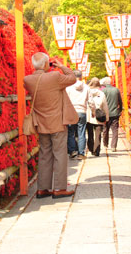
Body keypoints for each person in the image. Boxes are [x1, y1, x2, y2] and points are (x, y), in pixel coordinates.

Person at [24, 52, 78, 199]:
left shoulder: (27, 80)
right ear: (46, 64)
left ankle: (43, 188)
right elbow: (73, 78)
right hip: (58, 122)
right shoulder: (54, 77)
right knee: (60, 154)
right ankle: (60, 188)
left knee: (44, 155)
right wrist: (61, 66)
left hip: (41, 123)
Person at [65, 70, 89, 160]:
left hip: (71, 111)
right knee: (81, 132)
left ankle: (72, 151)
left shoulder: (68, 88)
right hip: (82, 111)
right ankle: (81, 153)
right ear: (81, 77)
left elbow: (65, 100)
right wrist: (93, 111)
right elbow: (90, 101)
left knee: (70, 132)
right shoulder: (86, 87)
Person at [85, 77, 108, 157]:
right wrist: (107, 117)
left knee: (90, 133)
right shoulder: (101, 94)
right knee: (98, 133)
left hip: (89, 115)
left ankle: (91, 148)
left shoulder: (87, 92)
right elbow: (105, 106)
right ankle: (96, 150)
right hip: (99, 115)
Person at [100, 77, 123, 152]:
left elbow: (101, 102)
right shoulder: (116, 90)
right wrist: (120, 109)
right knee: (115, 130)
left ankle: (105, 144)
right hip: (115, 113)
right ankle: (113, 146)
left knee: (105, 129)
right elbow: (120, 101)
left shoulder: (103, 91)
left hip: (106, 113)